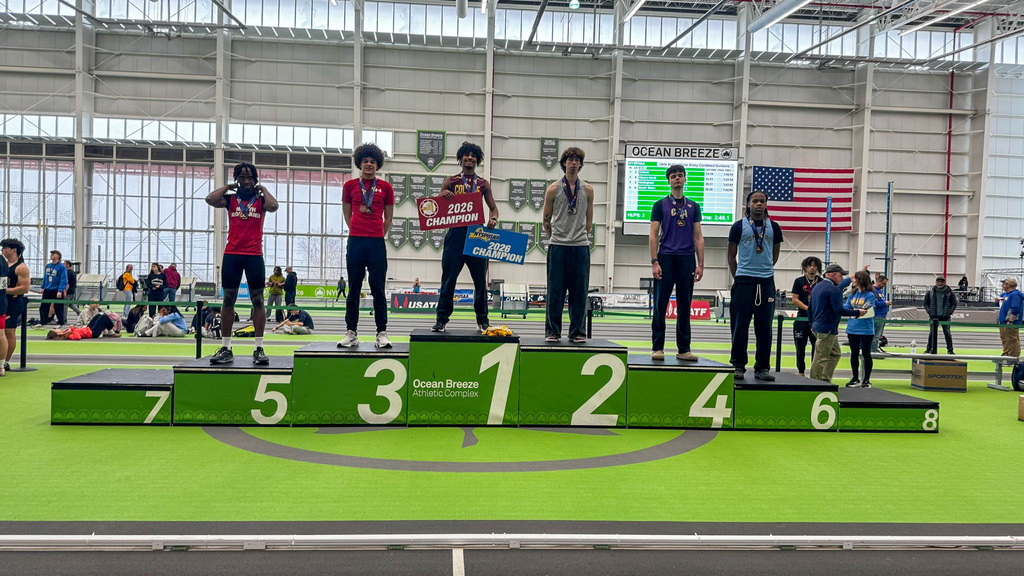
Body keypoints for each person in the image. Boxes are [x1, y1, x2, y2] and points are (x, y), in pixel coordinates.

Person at [205, 162, 279, 364]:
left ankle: (259, 348)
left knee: (258, 300)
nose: (246, 181)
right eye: (242, 177)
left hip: (254, 255)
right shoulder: (230, 200)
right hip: (232, 254)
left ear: (255, 180)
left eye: (250, 177)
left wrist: (263, 189)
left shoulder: (261, 200)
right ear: (237, 180)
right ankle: (226, 347)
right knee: (228, 299)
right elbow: (210, 199)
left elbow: (273, 206)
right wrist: (228, 187)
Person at [432, 141, 500, 333]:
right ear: (460, 158)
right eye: (466, 155)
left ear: (477, 160)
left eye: (473, 155)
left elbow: (493, 208)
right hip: (455, 235)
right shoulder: (451, 181)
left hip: (477, 236)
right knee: (448, 280)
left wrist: (493, 219)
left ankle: (483, 320)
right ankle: (441, 320)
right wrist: (442, 195)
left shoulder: (482, 184)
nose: (469, 158)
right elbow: (436, 209)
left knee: (480, 282)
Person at [338, 143, 394, 348]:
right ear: (359, 164)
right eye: (365, 161)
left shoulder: (386, 187)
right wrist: (355, 228)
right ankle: (351, 332)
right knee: (353, 289)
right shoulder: (350, 186)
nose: (369, 164)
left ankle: (381, 333)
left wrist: (378, 233)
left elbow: (388, 217)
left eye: (372, 161)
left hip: (376, 243)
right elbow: (347, 212)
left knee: (378, 289)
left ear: (377, 164)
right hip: (356, 241)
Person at [647, 163, 703, 360]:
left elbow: (698, 236)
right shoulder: (659, 205)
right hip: (666, 258)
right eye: (673, 176)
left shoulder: (694, 206)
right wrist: (655, 261)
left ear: (685, 179)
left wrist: (700, 264)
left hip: (687, 259)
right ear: (669, 181)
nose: (677, 178)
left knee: (685, 306)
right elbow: (653, 234)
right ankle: (657, 348)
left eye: (680, 175)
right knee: (660, 305)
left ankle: (684, 349)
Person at [727, 190, 783, 381]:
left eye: (762, 201)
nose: (758, 204)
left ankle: (762, 368)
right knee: (739, 326)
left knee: (764, 327)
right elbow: (730, 256)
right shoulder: (738, 226)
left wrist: (764, 270)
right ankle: (738, 365)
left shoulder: (774, 227)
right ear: (748, 204)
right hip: (743, 281)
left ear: (766, 204)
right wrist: (740, 276)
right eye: (755, 201)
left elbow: (774, 255)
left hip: (766, 281)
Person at [543, 147, 595, 344]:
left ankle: (577, 332)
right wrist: (557, 237)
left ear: (580, 164)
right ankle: (553, 331)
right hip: (558, 246)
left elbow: (589, 220)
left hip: (580, 247)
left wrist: (579, 237)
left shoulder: (588, 190)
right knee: (555, 291)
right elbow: (546, 220)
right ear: (564, 163)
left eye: (576, 160)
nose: (573, 163)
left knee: (579, 292)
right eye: (570, 160)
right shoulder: (553, 189)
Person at [809, 263, 865, 382]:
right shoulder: (834, 290)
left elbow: (810, 308)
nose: (841, 279)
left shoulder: (817, 287)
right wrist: (857, 313)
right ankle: (814, 383)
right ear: (834, 275)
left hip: (818, 327)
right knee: (821, 358)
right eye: (840, 276)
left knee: (835, 353)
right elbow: (839, 310)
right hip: (828, 328)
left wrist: (811, 324)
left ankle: (824, 380)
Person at [844, 270, 877, 388]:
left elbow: (869, 309)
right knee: (854, 354)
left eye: (856, 279)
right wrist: (856, 312)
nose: (854, 281)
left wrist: (854, 311)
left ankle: (866, 380)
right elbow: (846, 307)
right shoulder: (852, 294)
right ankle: (855, 378)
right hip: (852, 329)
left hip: (866, 329)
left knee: (866, 354)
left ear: (861, 280)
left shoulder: (870, 295)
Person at [790, 256, 822, 376]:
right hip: (801, 318)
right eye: (809, 265)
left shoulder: (822, 282)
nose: (812, 268)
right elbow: (795, 299)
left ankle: (815, 372)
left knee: (817, 348)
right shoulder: (799, 281)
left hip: (817, 320)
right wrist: (808, 309)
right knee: (800, 347)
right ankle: (801, 372)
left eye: (814, 265)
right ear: (805, 267)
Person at [2, 238, 30, 374]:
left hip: (13, 303)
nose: (2, 250)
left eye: (5, 248)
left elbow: (25, 288)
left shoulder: (21, 267)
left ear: (14, 250)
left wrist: (5, 290)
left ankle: (6, 362)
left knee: (9, 332)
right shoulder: (4, 264)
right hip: (3, 301)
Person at [924, 276, 957, 354]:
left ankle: (950, 350)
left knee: (947, 333)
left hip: (945, 316)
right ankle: (929, 349)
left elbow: (954, 303)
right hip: (934, 316)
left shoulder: (949, 292)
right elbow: (925, 303)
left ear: (944, 282)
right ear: (936, 282)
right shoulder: (930, 292)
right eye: (938, 281)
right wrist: (929, 311)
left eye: (941, 281)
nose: (940, 283)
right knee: (932, 333)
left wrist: (949, 312)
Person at [40, 250, 68, 326]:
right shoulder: (48, 266)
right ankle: (42, 322)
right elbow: (45, 277)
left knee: (58, 307)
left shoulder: (62, 267)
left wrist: (60, 290)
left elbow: (64, 279)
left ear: (58, 256)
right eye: (51, 254)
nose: (51, 255)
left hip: (57, 290)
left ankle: (61, 322)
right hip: (48, 289)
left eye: (54, 254)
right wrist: (43, 287)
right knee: (44, 306)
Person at [998, 278, 1023, 358]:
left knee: (1012, 339)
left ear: (1008, 285)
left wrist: (1011, 321)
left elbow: (1015, 308)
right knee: (1005, 338)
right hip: (1004, 321)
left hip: (1010, 321)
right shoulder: (1007, 294)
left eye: (1004, 284)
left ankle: (1013, 357)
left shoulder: (1015, 294)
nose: (1002, 285)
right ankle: (1007, 353)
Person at [871, 274, 891, 353]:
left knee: (878, 335)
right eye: (883, 284)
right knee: (875, 335)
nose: (884, 286)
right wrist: (885, 304)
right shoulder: (873, 291)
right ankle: (873, 350)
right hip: (877, 315)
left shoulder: (880, 291)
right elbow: (875, 303)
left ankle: (875, 348)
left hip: (882, 315)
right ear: (879, 282)